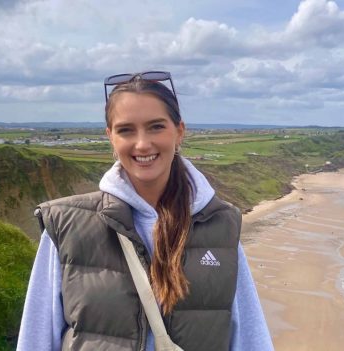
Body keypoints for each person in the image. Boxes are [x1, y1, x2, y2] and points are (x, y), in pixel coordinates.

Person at [17, 71, 274, 351]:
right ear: (110, 137)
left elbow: (250, 339)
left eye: (156, 127)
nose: (142, 144)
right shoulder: (67, 224)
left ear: (179, 131)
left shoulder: (219, 225)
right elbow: (36, 339)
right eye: (126, 130)